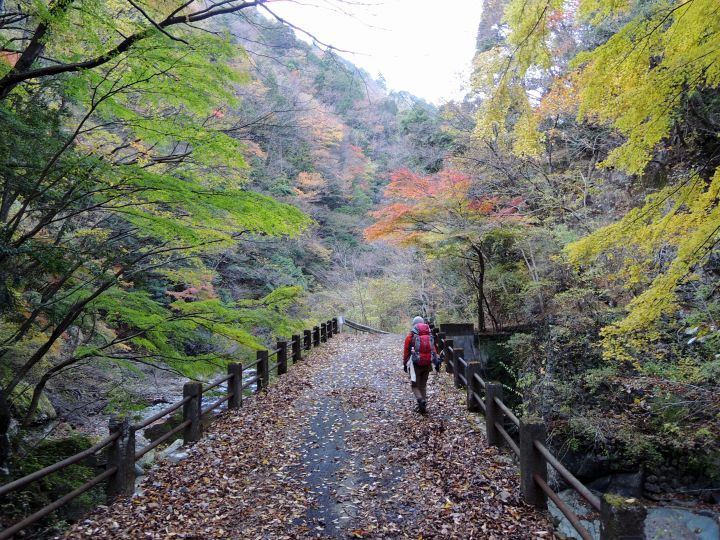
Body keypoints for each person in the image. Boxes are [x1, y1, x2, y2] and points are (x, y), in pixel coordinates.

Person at [403, 316, 440, 414]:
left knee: (415, 386)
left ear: (414, 325)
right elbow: (433, 350)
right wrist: (436, 362)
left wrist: (405, 364)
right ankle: (423, 408)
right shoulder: (429, 335)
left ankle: (420, 400)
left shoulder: (410, 336)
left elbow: (406, 352)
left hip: (415, 365)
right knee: (423, 386)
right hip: (427, 364)